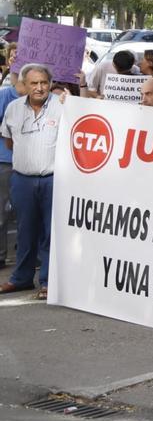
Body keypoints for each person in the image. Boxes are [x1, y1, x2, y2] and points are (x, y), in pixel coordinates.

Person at [0, 65, 61, 299]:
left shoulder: (62, 105)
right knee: (26, 231)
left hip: (52, 179)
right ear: (24, 85)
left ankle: (47, 281)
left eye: (44, 82)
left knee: (49, 231)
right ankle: (21, 279)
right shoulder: (13, 108)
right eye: (34, 83)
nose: (39, 88)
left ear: (50, 83)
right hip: (22, 179)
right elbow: (9, 142)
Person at [0, 76, 23, 268]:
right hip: (6, 161)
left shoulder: (48, 101)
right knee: (2, 212)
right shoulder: (6, 95)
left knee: (27, 213)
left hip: (29, 165)